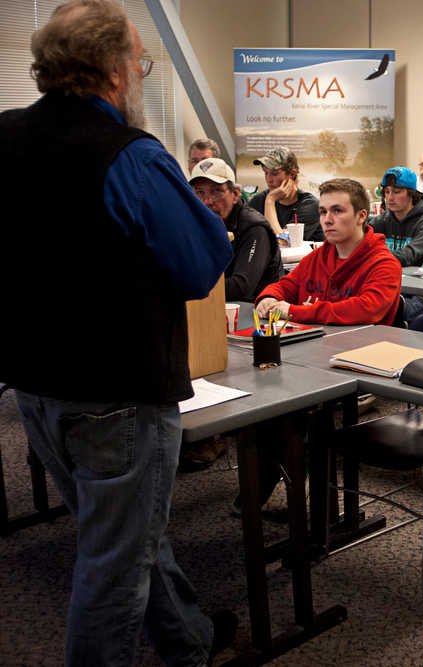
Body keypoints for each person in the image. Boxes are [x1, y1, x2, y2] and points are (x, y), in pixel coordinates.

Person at [0, 1, 237, 663]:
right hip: (118, 395)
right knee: (113, 568)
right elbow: (200, 265)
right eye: (138, 61)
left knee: (126, 537)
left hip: (34, 387)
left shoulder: (4, 135)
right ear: (112, 71)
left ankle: (187, 640)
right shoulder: (130, 156)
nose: (140, 72)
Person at [256, 178, 401, 325]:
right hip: (314, 343)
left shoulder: (385, 264)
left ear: (362, 216)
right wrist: (269, 298)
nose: (327, 220)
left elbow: (365, 309)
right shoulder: (317, 257)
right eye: (323, 212)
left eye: (337, 211)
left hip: (363, 345)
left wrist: (294, 311)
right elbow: (284, 286)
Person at [190, 157, 281, 302]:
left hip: (255, 313)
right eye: (200, 192)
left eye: (216, 191)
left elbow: (242, 286)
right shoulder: (197, 225)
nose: (207, 201)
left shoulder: (254, 228)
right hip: (214, 308)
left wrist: (189, 289)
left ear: (236, 194)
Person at [368, 166, 423, 322]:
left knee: (386, 308)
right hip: (391, 288)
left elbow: (408, 255)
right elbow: (361, 242)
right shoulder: (382, 220)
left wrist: (370, 259)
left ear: (411, 194)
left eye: (397, 192)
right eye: (387, 192)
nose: (390, 197)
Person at [248, 146, 323, 243]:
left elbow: (282, 242)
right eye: (266, 173)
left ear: (292, 174)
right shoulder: (258, 201)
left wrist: (270, 201)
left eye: (274, 174)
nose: (268, 180)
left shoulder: (310, 204)